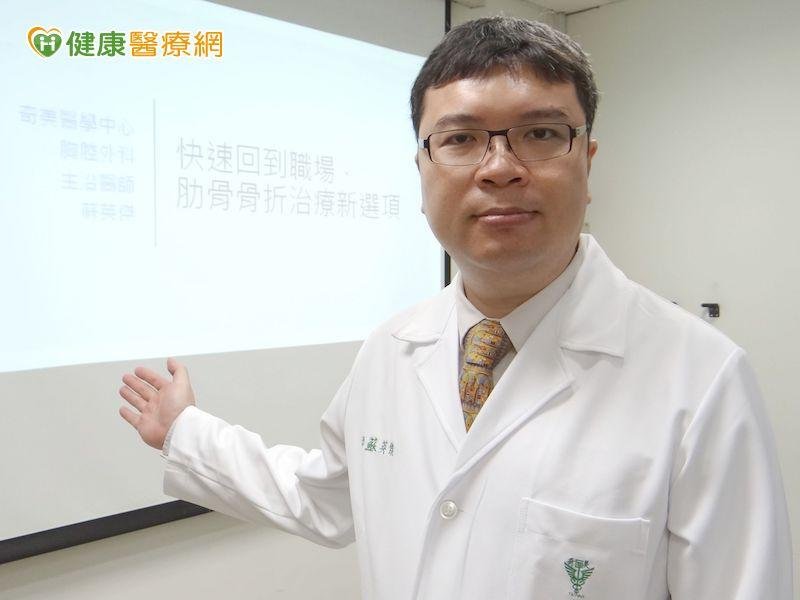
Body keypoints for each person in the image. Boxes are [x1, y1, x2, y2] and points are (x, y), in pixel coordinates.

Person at [118, 17, 793, 600]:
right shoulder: (392, 348)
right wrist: (185, 431)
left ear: (587, 162)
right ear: (422, 170)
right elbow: (324, 496)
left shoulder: (699, 378)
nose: (499, 167)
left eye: (539, 133)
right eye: (461, 139)